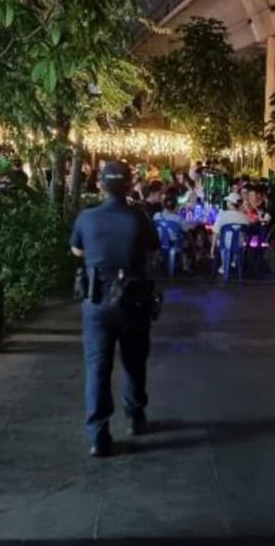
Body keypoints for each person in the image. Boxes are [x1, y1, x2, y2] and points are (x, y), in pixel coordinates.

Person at [70, 162, 160, 457]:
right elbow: (152, 251)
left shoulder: (87, 217)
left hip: (96, 302)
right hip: (133, 301)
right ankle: (135, 416)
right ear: (130, 185)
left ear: (100, 185)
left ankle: (98, 435)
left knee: (97, 367)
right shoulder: (139, 218)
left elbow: (77, 250)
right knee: (134, 361)